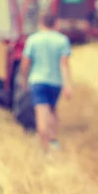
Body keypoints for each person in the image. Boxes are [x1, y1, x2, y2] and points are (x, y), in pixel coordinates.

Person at [20, 12, 73, 152]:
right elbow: (64, 65)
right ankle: (53, 140)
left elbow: (26, 63)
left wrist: (24, 79)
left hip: (38, 81)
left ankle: (45, 147)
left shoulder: (33, 39)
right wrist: (68, 85)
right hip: (56, 82)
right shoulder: (62, 40)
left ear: (41, 23)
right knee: (52, 110)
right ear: (56, 24)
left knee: (41, 113)